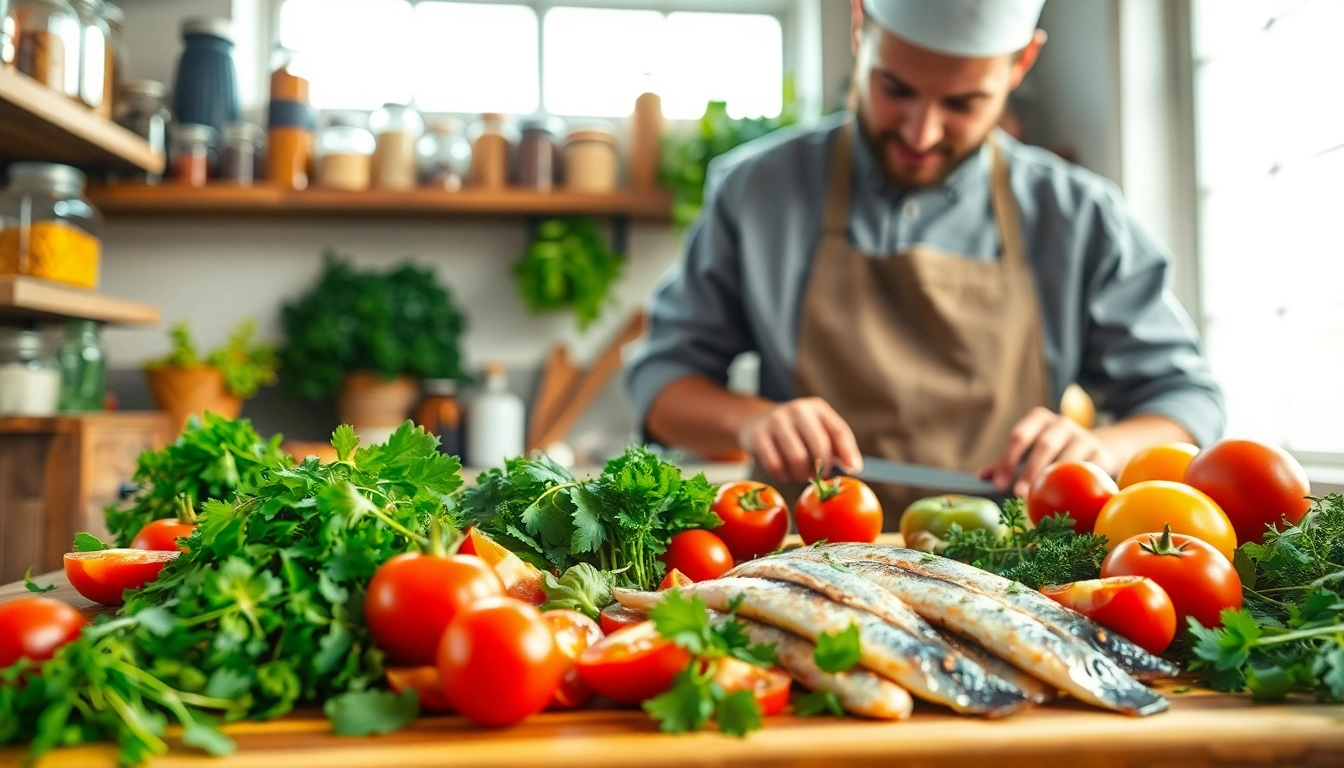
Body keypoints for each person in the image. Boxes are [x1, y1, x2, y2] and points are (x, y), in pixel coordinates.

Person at [623, 0, 1225, 524]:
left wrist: (1102, 449)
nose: (921, 132)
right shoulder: (755, 192)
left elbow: (1187, 401)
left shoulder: (1078, 216)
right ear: (861, 25)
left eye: (963, 103)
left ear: (1020, 64)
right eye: (895, 88)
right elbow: (661, 384)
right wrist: (752, 421)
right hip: (804, 562)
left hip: (1010, 573)